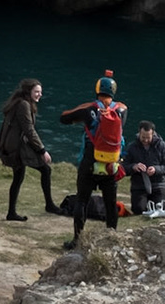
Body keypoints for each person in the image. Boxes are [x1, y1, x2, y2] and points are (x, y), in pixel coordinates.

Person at [57, 69, 126, 249]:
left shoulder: (90, 108)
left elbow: (64, 118)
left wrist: (80, 120)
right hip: (111, 164)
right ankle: (111, 240)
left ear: (97, 88)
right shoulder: (122, 109)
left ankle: (77, 240)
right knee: (110, 203)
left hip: (90, 160)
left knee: (82, 200)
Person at [0, 78, 59, 221]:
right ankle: (49, 205)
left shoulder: (21, 103)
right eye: (36, 92)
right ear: (28, 92)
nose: (39, 95)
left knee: (19, 177)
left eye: (40, 92)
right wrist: (42, 150)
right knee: (45, 170)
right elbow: (29, 130)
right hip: (16, 147)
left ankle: (12, 213)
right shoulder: (23, 105)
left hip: (14, 145)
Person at [125, 119, 165, 216]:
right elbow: (124, 167)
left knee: (161, 210)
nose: (145, 140)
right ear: (139, 133)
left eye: (148, 137)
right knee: (138, 210)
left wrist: (156, 169)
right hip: (139, 185)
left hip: (158, 184)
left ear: (153, 134)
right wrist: (134, 167)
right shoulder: (132, 147)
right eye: (143, 137)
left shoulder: (161, 146)